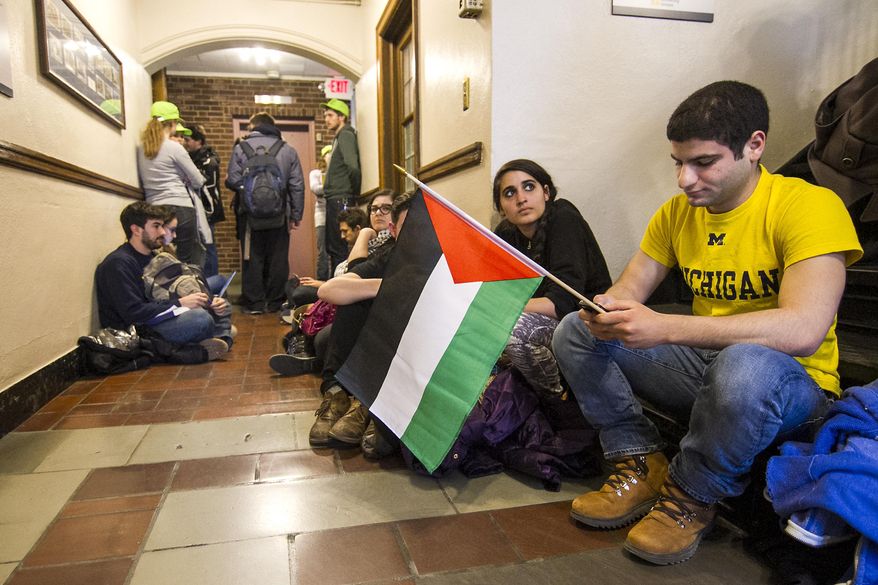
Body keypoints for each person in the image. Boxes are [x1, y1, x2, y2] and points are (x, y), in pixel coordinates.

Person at [551, 81, 863, 565]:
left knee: (745, 366)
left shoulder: (808, 206)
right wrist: (603, 310)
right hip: (708, 371)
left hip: (793, 388)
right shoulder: (677, 215)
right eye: (678, 162)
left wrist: (666, 327)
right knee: (575, 328)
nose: (684, 179)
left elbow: (803, 330)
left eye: (703, 162)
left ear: (754, 146)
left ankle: (691, 495)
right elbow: (625, 293)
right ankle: (638, 461)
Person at [492, 159, 611, 396]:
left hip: (583, 319)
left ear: (546, 192)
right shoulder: (506, 233)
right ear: (501, 206)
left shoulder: (563, 217)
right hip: (540, 315)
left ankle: (557, 400)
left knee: (516, 332)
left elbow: (562, 303)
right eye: (509, 193)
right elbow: (496, 289)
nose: (521, 198)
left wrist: (504, 309)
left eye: (529, 187)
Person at [307, 192, 413, 449]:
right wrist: (388, 286)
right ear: (395, 231)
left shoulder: (443, 259)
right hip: (374, 336)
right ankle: (337, 393)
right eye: (409, 227)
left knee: (325, 337)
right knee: (349, 300)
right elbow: (330, 289)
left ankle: (363, 398)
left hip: (411, 345)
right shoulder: (389, 255)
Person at [95, 202, 233, 360]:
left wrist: (205, 300)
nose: (162, 231)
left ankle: (218, 340)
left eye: (162, 226)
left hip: (161, 314)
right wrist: (180, 303)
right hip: (141, 330)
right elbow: (133, 314)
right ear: (136, 229)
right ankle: (215, 336)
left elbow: (166, 293)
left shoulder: (153, 256)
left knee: (221, 303)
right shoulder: (119, 263)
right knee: (201, 319)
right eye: (156, 226)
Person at [227, 111, 305, 314]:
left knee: (252, 258)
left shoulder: (240, 148)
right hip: (280, 215)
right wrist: (296, 214)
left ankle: (255, 304)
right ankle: (275, 302)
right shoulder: (288, 150)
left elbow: (233, 180)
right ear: (273, 126)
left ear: (253, 126)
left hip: (249, 215)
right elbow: (297, 185)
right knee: (278, 258)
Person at [137, 101, 211, 267]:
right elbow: (198, 181)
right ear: (172, 124)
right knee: (186, 261)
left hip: (154, 209)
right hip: (181, 208)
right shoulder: (174, 148)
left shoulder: (142, 148)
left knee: (162, 259)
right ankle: (189, 291)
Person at [322, 98, 361, 273]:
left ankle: (338, 290)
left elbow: (353, 166)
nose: (326, 119)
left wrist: (354, 193)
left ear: (342, 117)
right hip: (336, 197)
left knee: (339, 245)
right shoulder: (339, 137)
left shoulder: (345, 134)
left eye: (330, 115)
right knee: (334, 245)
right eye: (325, 115)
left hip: (341, 197)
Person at [184, 124, 225, 278]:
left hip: (207, 210)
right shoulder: (195, 158)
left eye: (188, 139)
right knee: (203, 248)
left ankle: (212, 285)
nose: (185, 142)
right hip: (199, 209)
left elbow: (206, 186)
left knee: (208, 248)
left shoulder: (208, 161)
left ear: (199, 141)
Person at [311, 144, 333, 280]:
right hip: (321, 215)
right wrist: (332, 186)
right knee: (323, 252)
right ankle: (321, 281)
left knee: (336, 250)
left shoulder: (338, 173)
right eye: (328, 154)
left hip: (335, 214)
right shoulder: (315, 173)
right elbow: (316, 189)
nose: (330, 156)